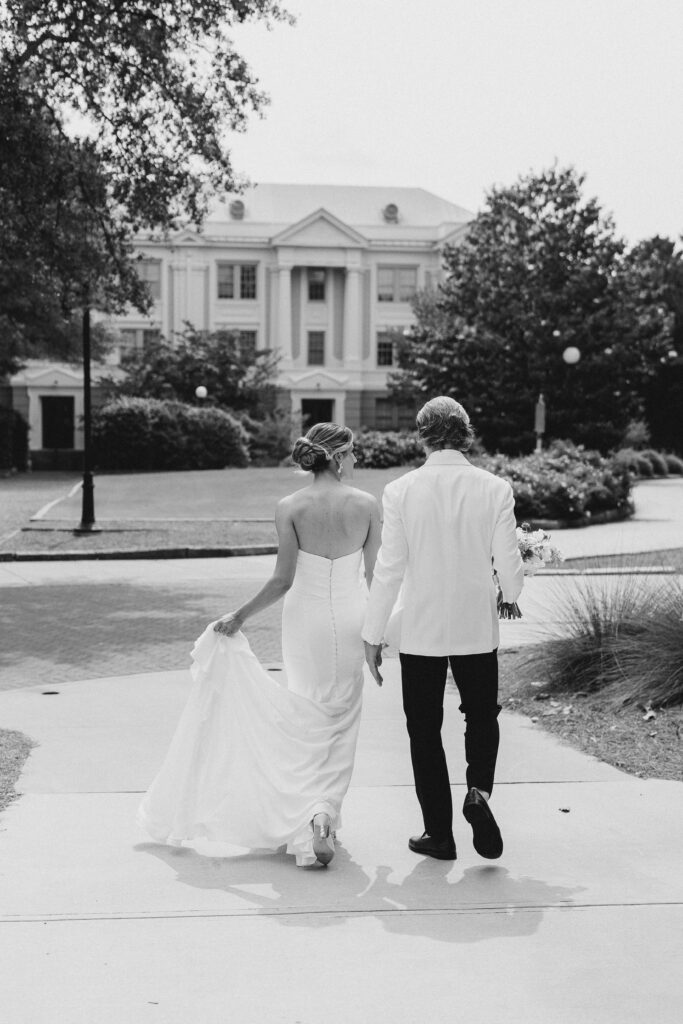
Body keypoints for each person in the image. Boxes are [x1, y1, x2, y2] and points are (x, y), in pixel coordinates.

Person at [137, 423, 381, 867]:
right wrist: (377, 634)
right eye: (353, 452)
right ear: (338, 456)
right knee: (341, 718)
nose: (357, 459)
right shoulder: (366, 505)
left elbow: (282, 580)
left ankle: (310, 814)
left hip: (304, 621)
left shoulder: (290, 506)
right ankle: (324, 814)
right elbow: (375, 578)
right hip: (351, 620)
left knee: (306, 714)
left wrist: (239, 616)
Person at [362, 396, 523, 861]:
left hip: (422, 629)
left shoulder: (401, 490)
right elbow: (508, 564)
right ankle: (478, 793)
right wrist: (510, 595)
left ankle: (440, 833)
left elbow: (389, 569)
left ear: (423, 435)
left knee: (424, 728)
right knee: (481, 715)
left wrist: (373, 634)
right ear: (466, 431)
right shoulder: (495, 488)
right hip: (476, 627)